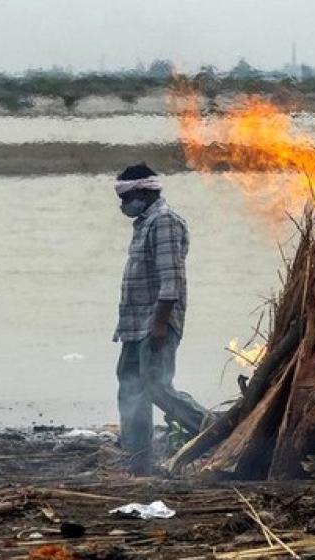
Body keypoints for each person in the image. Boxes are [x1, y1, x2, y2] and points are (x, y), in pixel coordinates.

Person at [112, 163, 208, 475]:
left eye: (127, 196)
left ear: (143, 191)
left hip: (155, 324)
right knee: (130, 386)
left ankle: (212, 431)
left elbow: (172, 281)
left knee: (156, 386)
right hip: (133, 325)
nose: (124, 204)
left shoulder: (165, 221)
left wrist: (159, 323)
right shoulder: (145, 224)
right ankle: (138, 458)